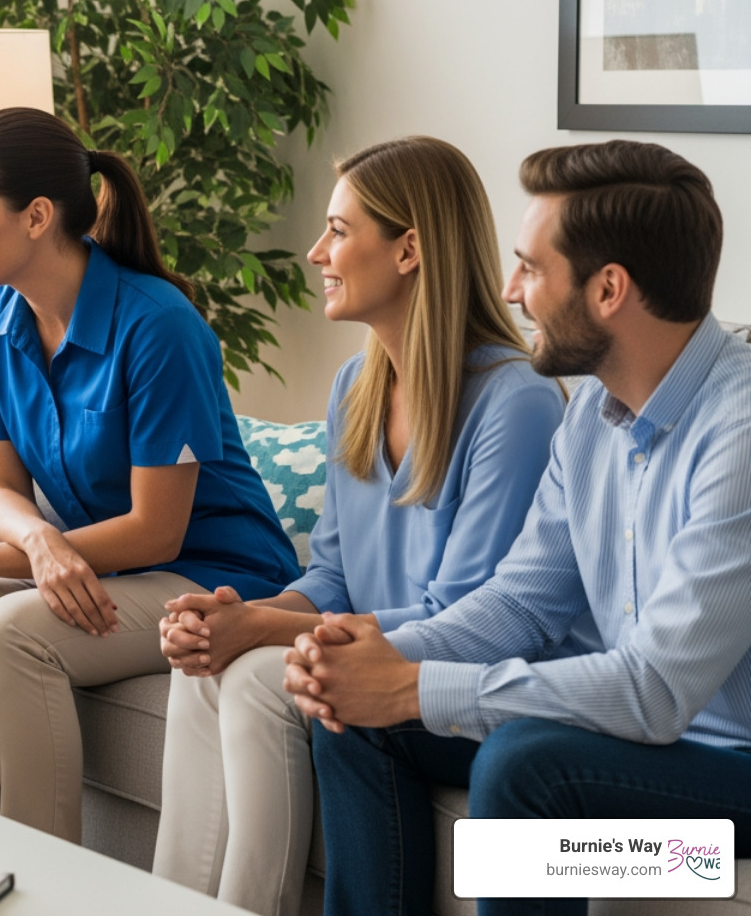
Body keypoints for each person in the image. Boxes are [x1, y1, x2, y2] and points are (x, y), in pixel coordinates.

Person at [283, 140, 751, 916]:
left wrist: (417, 686)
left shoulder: (737, 433)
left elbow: (656, 691)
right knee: (354, 719)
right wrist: (369, 657)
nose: (509, 290)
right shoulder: (594, 419)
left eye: (531, 268)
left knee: (524, 761)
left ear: (608, 290)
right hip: (642, 746)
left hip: (720, 806)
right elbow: (521, 605)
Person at [149, 138, 565, 916]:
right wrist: (241, 619)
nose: (316, 252)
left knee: (257, 681)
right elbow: (333, 574)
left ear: (409, 248)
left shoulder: (517, 403)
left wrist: (265, 634)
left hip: (462, 678)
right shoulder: (356, 385)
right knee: (203, 662)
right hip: (373, 653)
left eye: (339, 230)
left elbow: (471, 619)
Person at [0, 106, 298, 842]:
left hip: (209, 571)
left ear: (36, 217)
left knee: (7, 634)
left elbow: (157, 528)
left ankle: (43, 885)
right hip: (106, 566)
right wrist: (38, 545)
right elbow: (1, 491)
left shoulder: (158, 325)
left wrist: (14, 555)